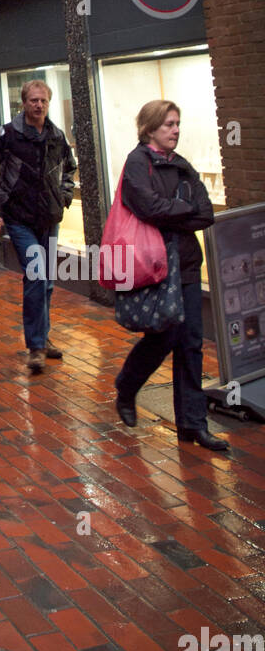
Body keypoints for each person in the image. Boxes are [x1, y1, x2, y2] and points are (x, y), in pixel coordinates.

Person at [113, 99, 228, 452]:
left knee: (191, 343)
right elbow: (146, 206)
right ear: (150, 129)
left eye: (177, 123)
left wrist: (172, 212)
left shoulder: (182, 165)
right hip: (154, 263)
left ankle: (193, 425)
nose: (176, 130)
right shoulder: (137, 162)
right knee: (163, 337)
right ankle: (127, 386)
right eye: (168, 124)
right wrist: (182, 209)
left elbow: (205, 213)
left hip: (188, 265)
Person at [0, 80, 76, 374]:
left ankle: (42, 337)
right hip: (19, 217)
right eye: (33, 100)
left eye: (43, 101)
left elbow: (70, 168)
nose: (39, 105)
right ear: (24, 103)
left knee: (46, 280)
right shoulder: (9, 134)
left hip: (49, 217)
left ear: (49, 102)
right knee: (36, 273)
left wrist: (65, 195)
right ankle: (35, 347)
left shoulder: (56, 135)